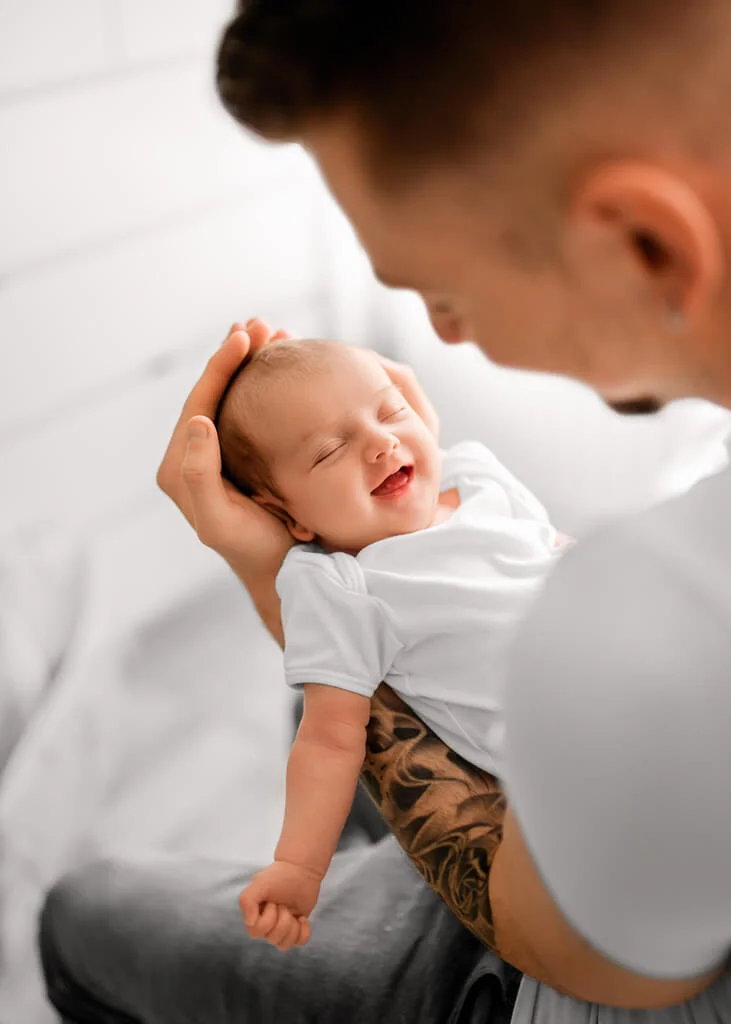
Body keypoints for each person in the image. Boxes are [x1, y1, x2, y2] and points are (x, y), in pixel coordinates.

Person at [39, 0, 731, 1020]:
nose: (446, 339)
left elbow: (587, 960)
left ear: (642, 241)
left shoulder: (655, 618)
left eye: (442, 291)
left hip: (568, 959)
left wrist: (279, 591)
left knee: (79, 910)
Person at [214, 338, 566, 949]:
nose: (381, 443)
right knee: (305, 708)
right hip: (574, 758)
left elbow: (558, 551)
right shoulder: (341, 583)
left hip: (642, 668)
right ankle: (352, 850)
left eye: (390, 411)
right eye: (329, 451)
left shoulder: (477, 478)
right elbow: (328, 740)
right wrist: (298, 868)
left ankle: (366, 846)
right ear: (291, 516)